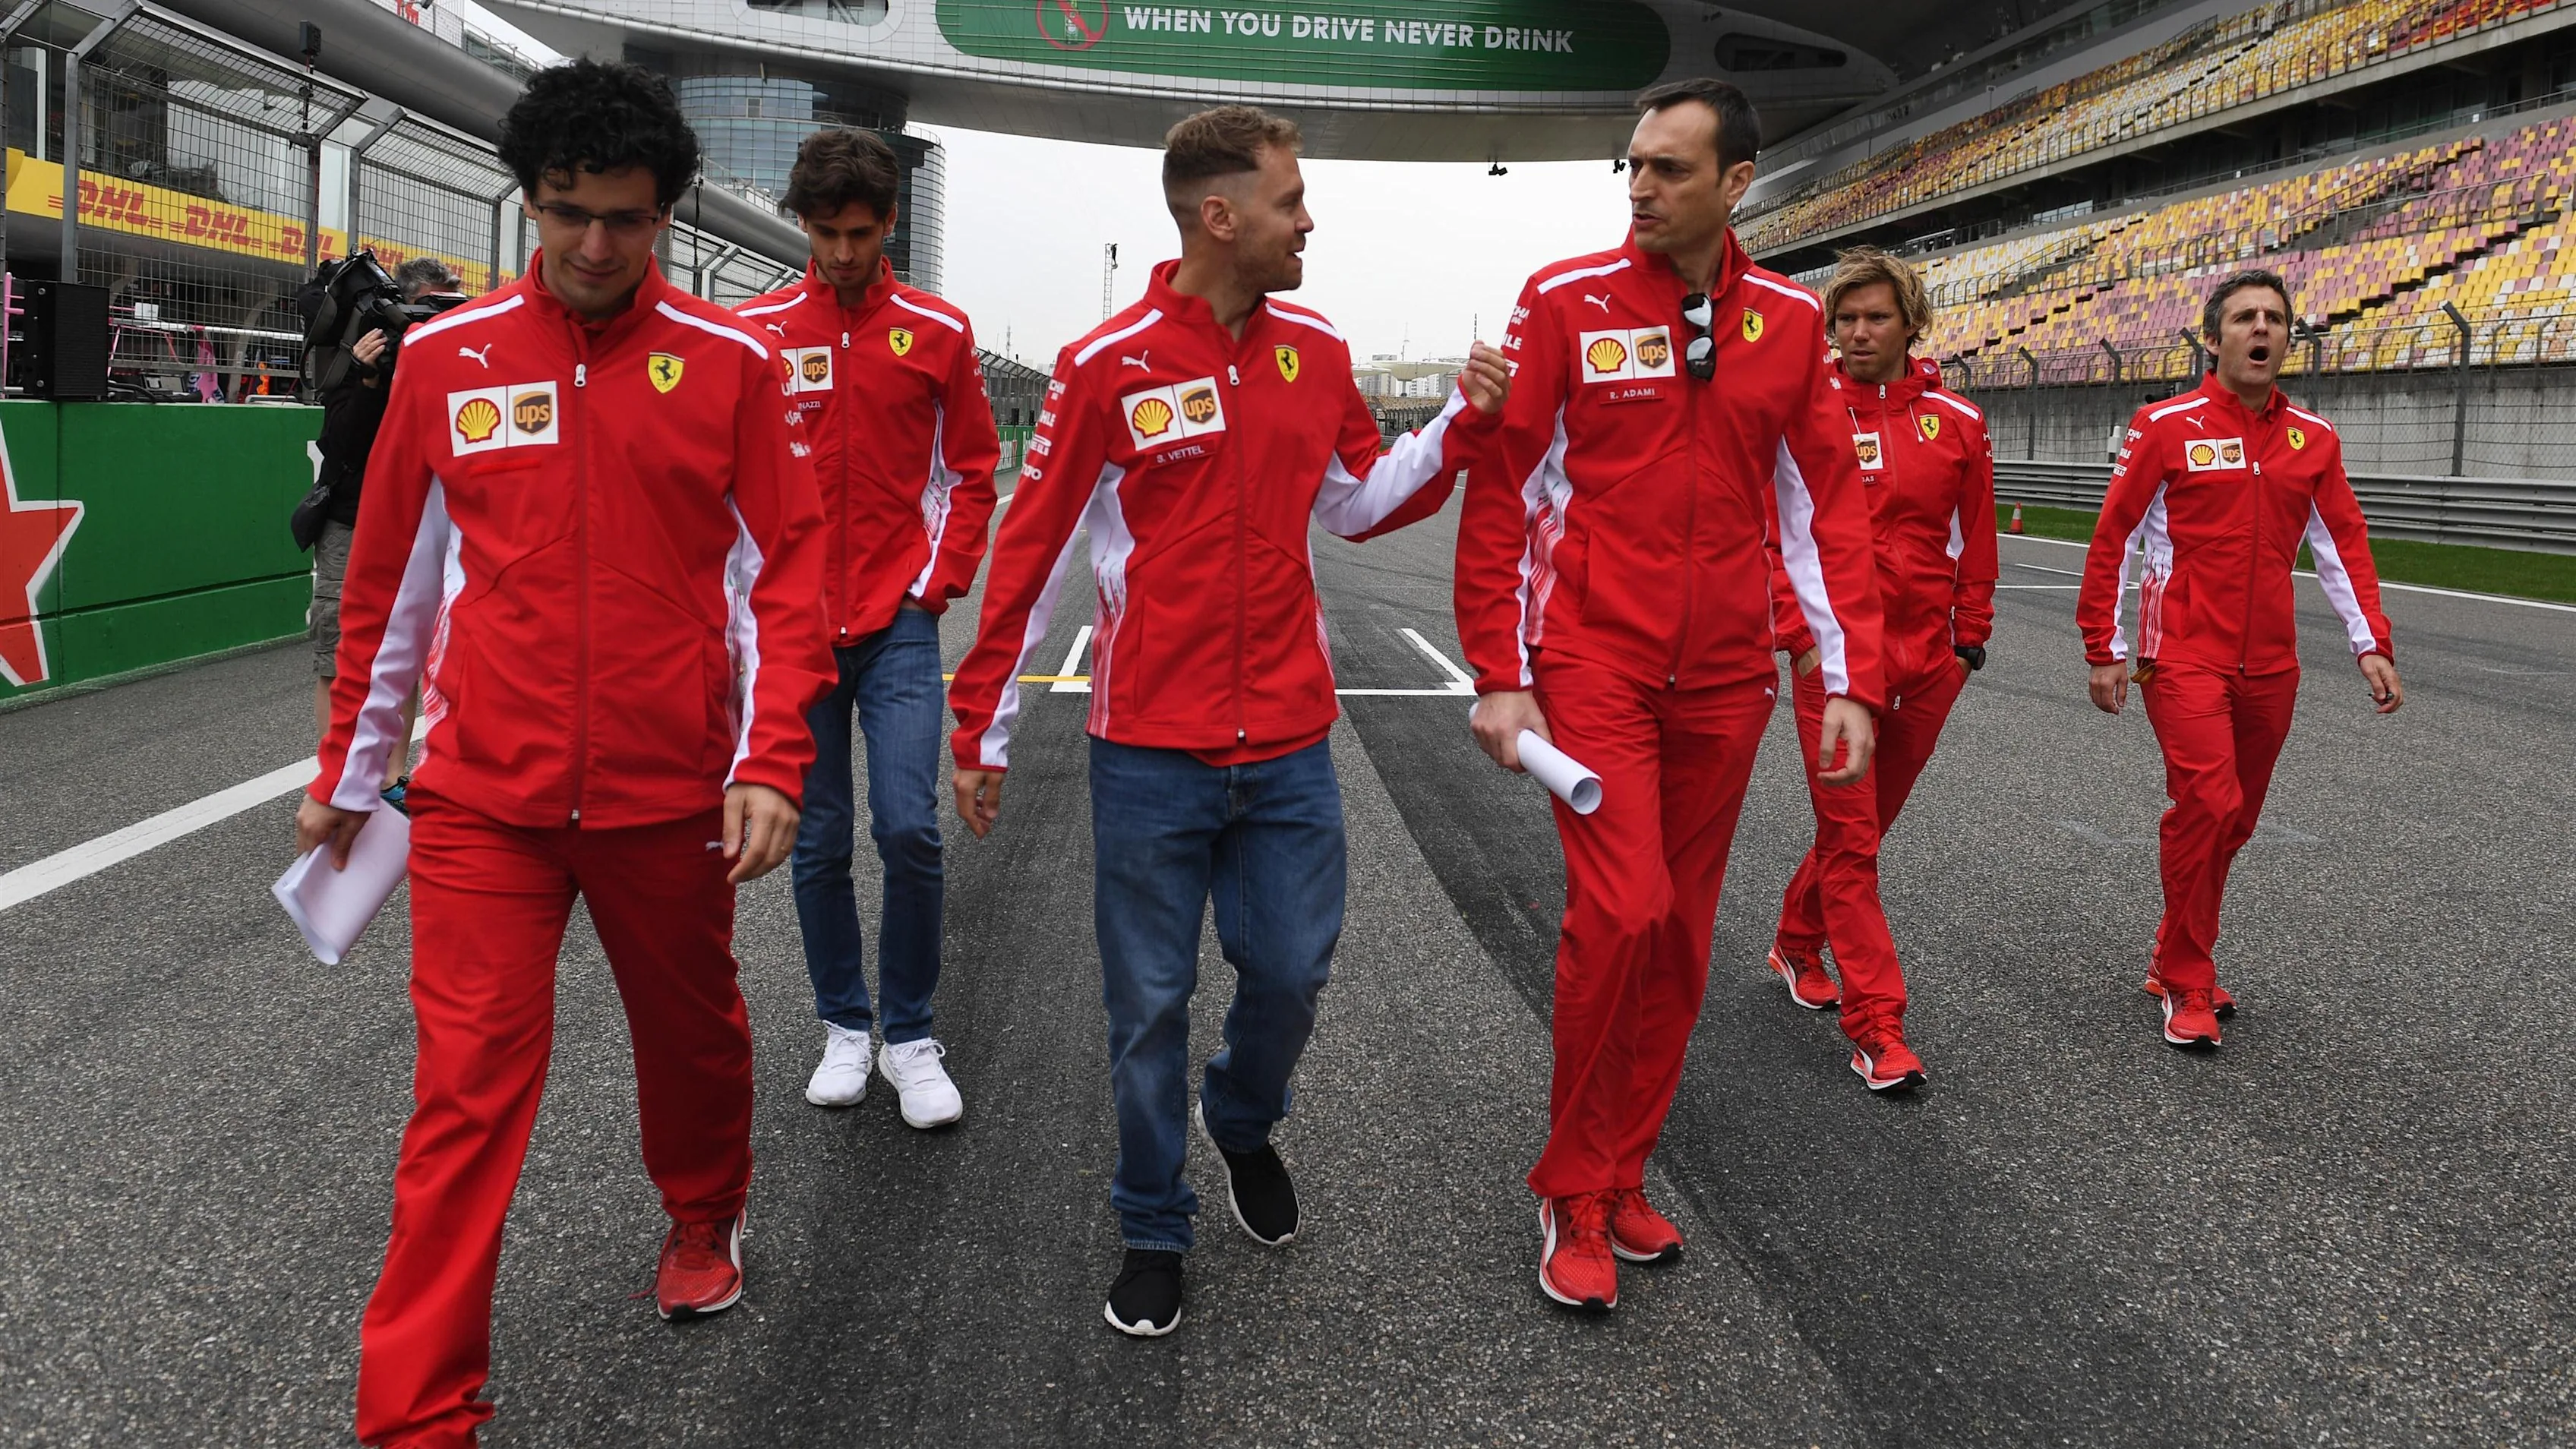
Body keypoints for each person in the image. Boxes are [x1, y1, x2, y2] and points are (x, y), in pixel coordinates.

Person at [292, 60, 832, 1448]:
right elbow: (391, 593)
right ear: (527, 200)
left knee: (694, 1042)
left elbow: (789, 574)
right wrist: (348, 775)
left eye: (629, 220)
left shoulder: (729, 365)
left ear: (666, 217)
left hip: (669, 800)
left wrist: (771, 756)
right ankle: (415, 1415)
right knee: (462, 1096)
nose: (596, 245)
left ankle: (703, 1208)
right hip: (485, 803)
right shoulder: (444, 358)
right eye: (568, 212)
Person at [946, 104, 1507, 1338]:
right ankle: (1152, 1221)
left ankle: (1241, 1115)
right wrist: (979, 719)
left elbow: (1357, 505)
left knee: (1293, 971)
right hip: (1148, 748)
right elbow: (1032, 558)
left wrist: (1460, 429)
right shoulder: (1107, 367)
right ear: (1221, 215)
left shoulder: (1315, 350)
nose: (1309, 219)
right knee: (1145, 1005)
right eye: (1291, 199)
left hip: (1294, 745)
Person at [1454, 77, 1884, 1314]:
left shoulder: (1792, 326)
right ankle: (1570, 1186)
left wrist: (1843, 676)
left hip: (1728, 679)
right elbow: (1505, 491)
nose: (1639, 186)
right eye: (1631, 166)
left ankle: (1620, 1170)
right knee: (1624, 910)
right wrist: (1499, 668)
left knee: (1682, 941)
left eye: (1668, 169)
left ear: (1736, 181)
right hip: (1592, 658)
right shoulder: (1565, 302)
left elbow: (1819, 509)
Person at [739, 129, 998, 1126]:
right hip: (797, 631)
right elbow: (732, 487)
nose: (842, 253)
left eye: (860, 232)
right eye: (824, 232)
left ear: (889, 223)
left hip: (897, 625)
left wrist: (935, 584)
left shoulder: (936, 330)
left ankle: (913, 1033)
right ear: (800, 224)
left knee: (910, 828)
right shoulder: (757, 330)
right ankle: (847, 1026)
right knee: (818, 841)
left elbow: (974, 473)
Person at [2077, 267, 2400, 1050]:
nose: (2261, 329)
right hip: (2177, 653)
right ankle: (2187, 979)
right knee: (2208, 804)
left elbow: (2339, 545)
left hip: (2271, 666)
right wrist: (2103, 644)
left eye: (2274, 319)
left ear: (2287, 338)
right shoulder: (2163, 424)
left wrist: (2369, 643)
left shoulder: (2312, 440)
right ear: (2213, 336)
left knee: (2233, 820)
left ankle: (2168, 954)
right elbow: (2113, 535)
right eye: (2245, 318)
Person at [1762, 247, 1997, 1092]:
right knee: (1854, 845)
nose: (1857, 333)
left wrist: (1967, 642)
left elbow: (1974, 541)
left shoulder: (1959, 424)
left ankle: (1795, 938)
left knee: (1860, 832)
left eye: (1874, 317)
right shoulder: (1801, 410)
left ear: (1910, 325)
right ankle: (1877, 1029)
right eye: (1845, 319)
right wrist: (1795, 635)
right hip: (1832, 665)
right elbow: (1772, 534)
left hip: (1928, 662)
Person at [309, 255, 467, 810]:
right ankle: (341, 775)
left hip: (421, 527)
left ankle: (390, 777)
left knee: (408, 652)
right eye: (424, 306)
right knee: (340, 652)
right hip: (352, 523)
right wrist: (368, 375)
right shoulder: (358, 362)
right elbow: (341, 447)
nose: (431, 317)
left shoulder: (459, 360)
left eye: (446, 305)